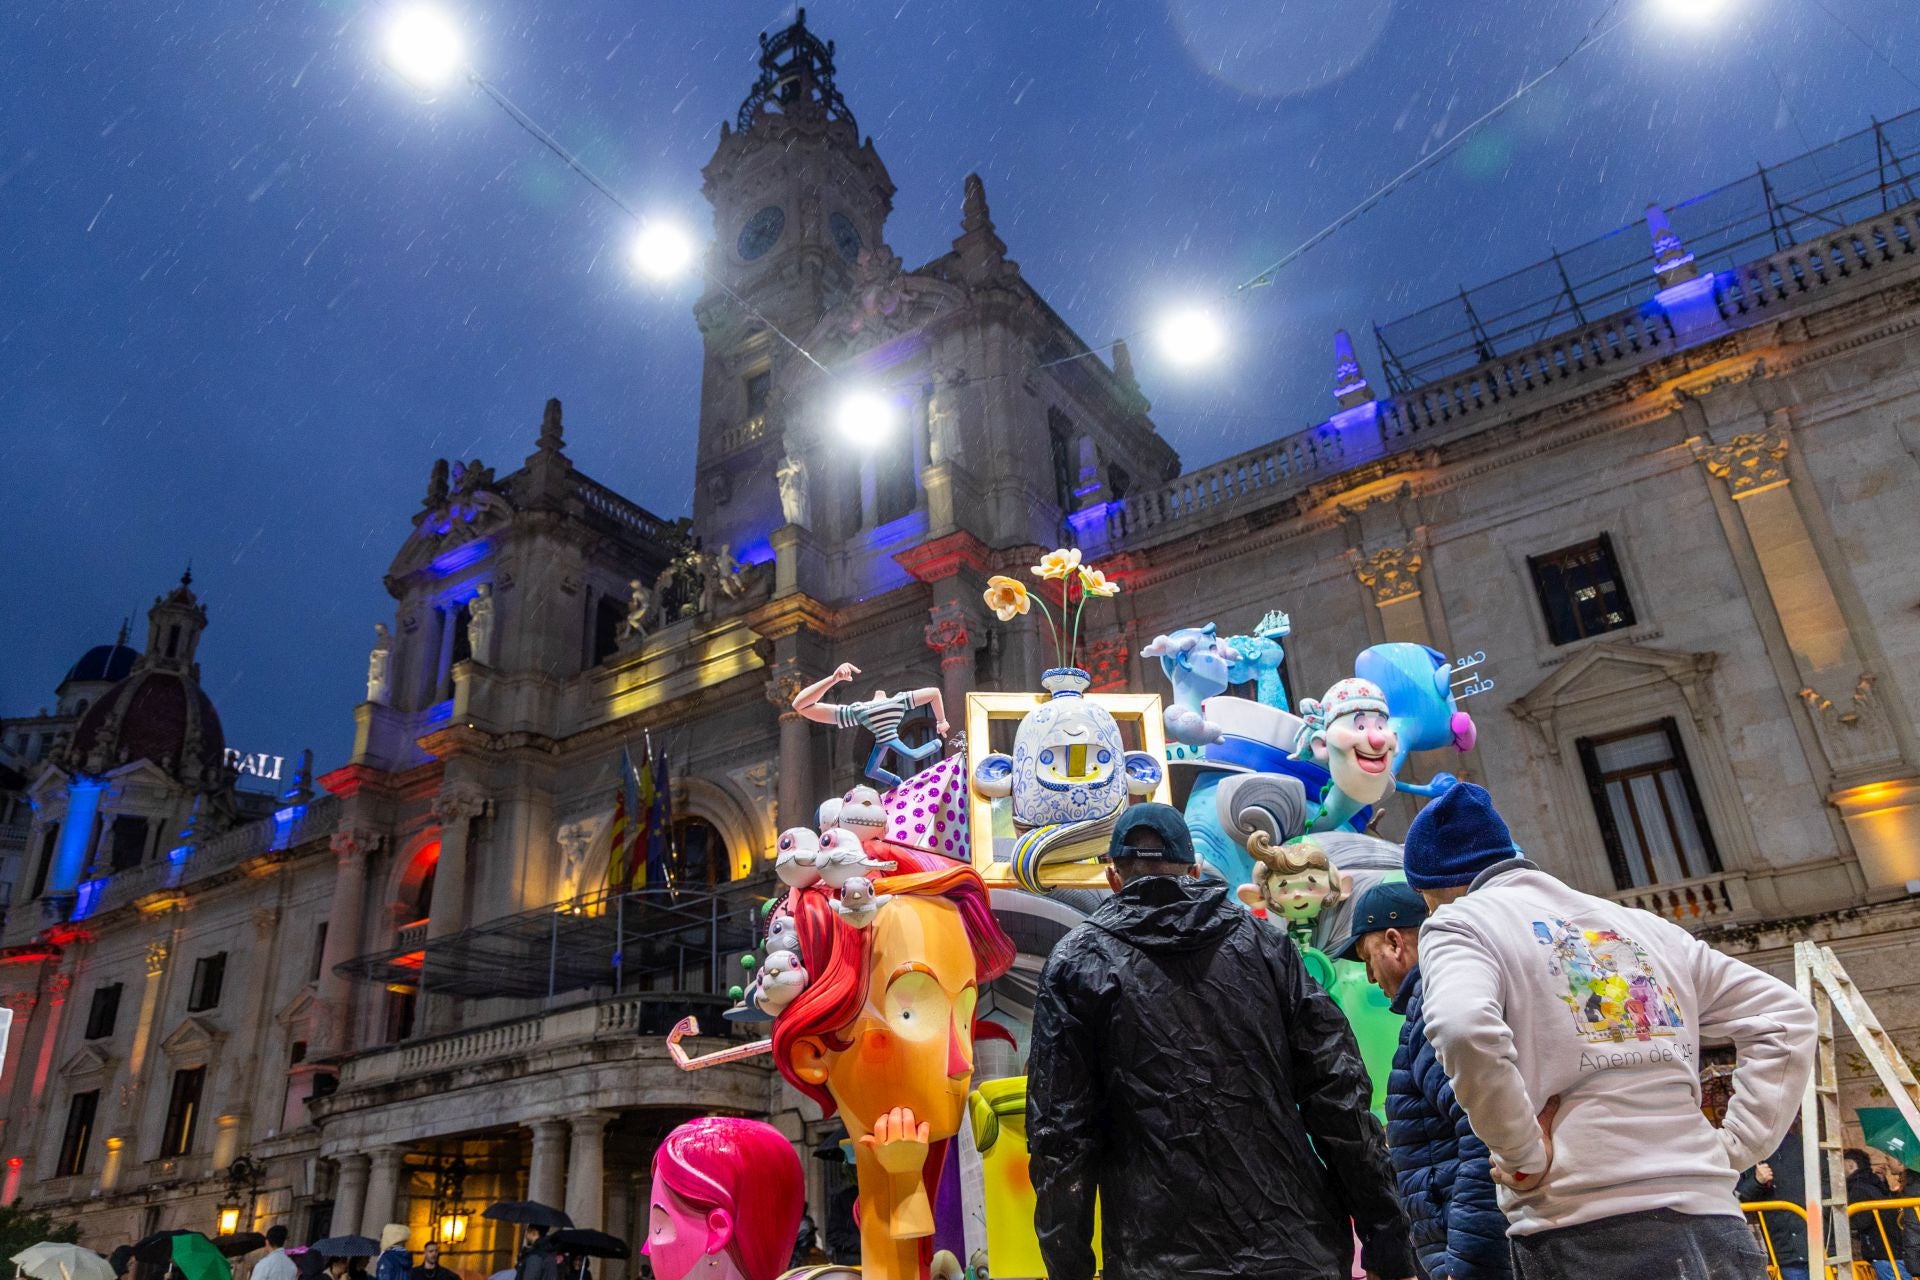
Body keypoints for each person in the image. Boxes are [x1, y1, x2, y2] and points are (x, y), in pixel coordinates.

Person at [1411, 783, 1818, 1280]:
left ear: (1432, 890)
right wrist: (1736, 1148)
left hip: (1585, 1223)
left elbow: (1463, 1027)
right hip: (1715, 1219)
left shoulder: (1461, 923)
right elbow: (1787, 1015)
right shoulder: (1642, 927)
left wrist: (1521, 1156)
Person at [1027, 802, 1417, 1280]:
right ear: (1194, 871)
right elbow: (1339, 1093)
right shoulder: (1267, 946)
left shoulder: (1074, 964)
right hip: (1295, 1247)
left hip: (1154, 1258)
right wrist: (1387, 1240)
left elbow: (1060, 1135)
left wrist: (1068, 1266)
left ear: (1113, 878)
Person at [1335, 880, 1510, 1280]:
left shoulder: (1436, 1018)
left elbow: (1486, 1139)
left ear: (1395, 943)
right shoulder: (1433, 1010)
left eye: (1368, 957)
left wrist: (1466, 1264)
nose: (1370, 975)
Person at [1735, 1124, 1811, 1280]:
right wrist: (1756, 1181)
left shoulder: (1804, 1145)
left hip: (1817, 1243)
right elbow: (1738, 1197)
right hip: (1785, 1249)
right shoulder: (1748, 1155)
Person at [1846, 1149, 1910, 1278]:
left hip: (1882, 1253)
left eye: (1888, 1158)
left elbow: (1862, 1222)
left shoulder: (1858, 1189)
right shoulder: (1875, 1184)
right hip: (1895, 1250)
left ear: (1850, 1165)